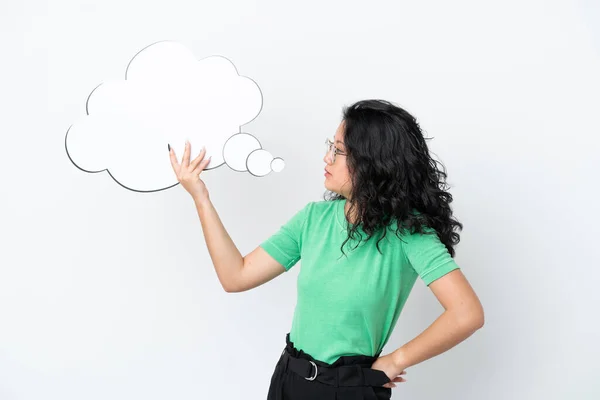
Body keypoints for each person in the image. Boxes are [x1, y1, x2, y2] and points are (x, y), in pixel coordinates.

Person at [168, 99, 484, 400]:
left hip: (348, 388)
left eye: (339, 150)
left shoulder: (410, 234)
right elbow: (235, 277)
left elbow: (466, 313)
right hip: (288, 377)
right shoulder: (313, 219)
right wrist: (201, 197)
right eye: (330, 147)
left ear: (372, 161)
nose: (327, 158)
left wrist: (396, 359)